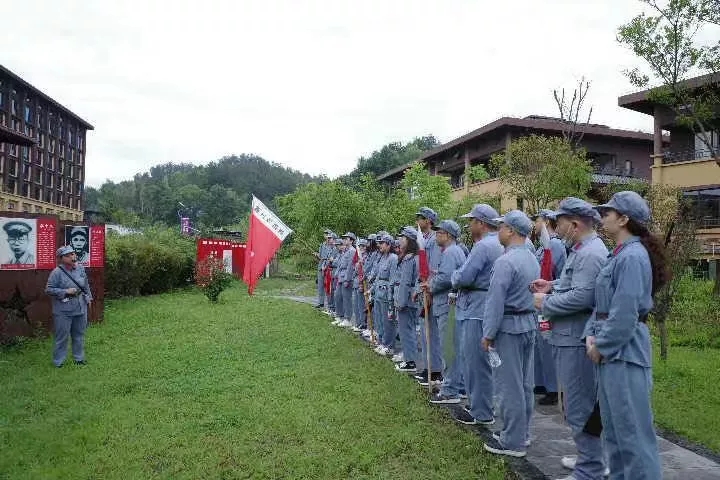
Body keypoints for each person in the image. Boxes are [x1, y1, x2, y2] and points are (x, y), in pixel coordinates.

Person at [584, 191, 667, 479]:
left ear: (624, 219)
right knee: (615, 432)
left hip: (625, 354)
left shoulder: (632, 257)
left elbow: (625, 313)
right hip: (612, 353)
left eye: (607, 213)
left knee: (633, 435)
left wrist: (601, 346)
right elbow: (602, 306)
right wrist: (592, 335)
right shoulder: (618, 254)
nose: (602, 217)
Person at [532, 198, 609, 480]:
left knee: (579, 406)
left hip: (576, 339)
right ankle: (589, 457)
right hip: (569, 336)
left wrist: (546, 302)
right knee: (576, 403)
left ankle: (591, 468)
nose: (557, 227)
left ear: (574, 224)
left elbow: (583, 297)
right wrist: (551, 286)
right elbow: (574, 285)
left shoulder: (590, 253)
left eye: (560, 221)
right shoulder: (581, 250)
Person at [482, 210, 540, 458]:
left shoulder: (505, 262)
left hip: (509, 326)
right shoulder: (531, 258)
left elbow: (495, 301)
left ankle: (512, 441)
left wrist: (488, 333)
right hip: (528, 323)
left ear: (511, 230)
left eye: (501, 226)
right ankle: (521, 432)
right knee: (524, 384)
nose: (499, 231)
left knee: (509, 386)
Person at [450, 204, 504, 425]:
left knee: (475, 362)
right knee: (484, 363)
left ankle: (480, 411)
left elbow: (463, 277)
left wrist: (454, 276)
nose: (469, 225)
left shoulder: (483, 246)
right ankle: (482, 405)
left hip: (476, 307)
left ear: (481, 223)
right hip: (487, 306)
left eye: (471, 221)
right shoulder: (499, 243)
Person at [427, 219, 467, 403]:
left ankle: (450, 390)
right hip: (451, 304)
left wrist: (430, 285)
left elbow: (445, 279)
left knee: (449, 349)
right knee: (454, 347)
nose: (437, 235)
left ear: (449, 235)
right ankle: (460, 385)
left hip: (447, 305)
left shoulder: (451, 252)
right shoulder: (454, 251)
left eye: (440, 233)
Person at [532, 210, 566, 406]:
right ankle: (542, 383)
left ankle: (553, 388)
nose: (534, 224)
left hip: (550, 299)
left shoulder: (554, 244)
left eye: (537, 220)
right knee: (540, 345)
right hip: (541, 299)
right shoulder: (543, 244)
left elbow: (550, 271)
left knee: (547, 344)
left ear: (546, 221)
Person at [45, 245, 93, 367]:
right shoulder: (56, 273)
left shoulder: (80, 268)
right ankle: (58, 362)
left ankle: (79, 358)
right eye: (67, 255)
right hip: (63, 310)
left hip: (80, 306)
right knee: (62, 337)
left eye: (72, 254)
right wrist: (65, 291)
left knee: (79, 334)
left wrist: (89, 298)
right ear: (61, 258)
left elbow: (85, 285)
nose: (72, 256)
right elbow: (49, 290)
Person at [414, 207, 443, 386]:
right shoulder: (422, 239)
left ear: (429, 220)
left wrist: (429, 290)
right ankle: (427, 367)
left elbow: (434, 268)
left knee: (432, 333)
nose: (418, 220)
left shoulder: (433, 240)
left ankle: (436, 370)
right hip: (423, 287)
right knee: (425, 333)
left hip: (431, 290)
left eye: (421, 217)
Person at [393, 227, 420, 372]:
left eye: (403, 237)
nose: (400, 240)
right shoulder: (416, 257)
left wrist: (401, 302)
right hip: (411, 299)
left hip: (407, 300)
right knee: (409, 330)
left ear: (409, 240)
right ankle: (409, 357)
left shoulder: (409, 258)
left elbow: (405, 283)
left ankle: (410, 362)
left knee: (406, 331)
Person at [372, 234, 398, 356]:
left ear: (389, 244)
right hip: (378, 291)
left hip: (387, 292)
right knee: (379, 318)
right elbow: (378, 276)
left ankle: (389, 345)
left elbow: (393, 279)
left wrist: (391, 296)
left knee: (388, 321)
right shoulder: (382, 257)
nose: (379, 245)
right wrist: (372, 289)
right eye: (379, 243)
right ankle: (382, 341)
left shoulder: (393, 258)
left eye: (382, 243)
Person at [337, 232, 357, 328]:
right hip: (341, 276)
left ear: (351, 241)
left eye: (347, 238)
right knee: (339, 296)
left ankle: (347, 318)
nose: (344, 240)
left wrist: (347, 279)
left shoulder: (352, 251)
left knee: (346, 298)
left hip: (346, 277)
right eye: (344, 238)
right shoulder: (346, 250)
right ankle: (342, 316)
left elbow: (350, 266)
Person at [351, 238, 369, 333]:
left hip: (362, 283)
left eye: (363, 246)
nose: (361, 248)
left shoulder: (366, 257)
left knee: (362, 305)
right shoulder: (359, 257)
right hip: (356, 282)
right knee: (356, 304)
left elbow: (366, 271)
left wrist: (361, 283)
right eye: (360, 246)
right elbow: (355, 269)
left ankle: (363, 323)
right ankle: (358, 323)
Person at [315, 229, 336, 309]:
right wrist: (317, 255)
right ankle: (321, 302)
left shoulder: (334, 246)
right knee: (320, 285)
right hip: (321, 266)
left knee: (328, 285)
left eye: (328, 234)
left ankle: (330, 304)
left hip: (329, 267)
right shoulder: (322, 244)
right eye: (325, 234)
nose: (326, 236)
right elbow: (320, 256)